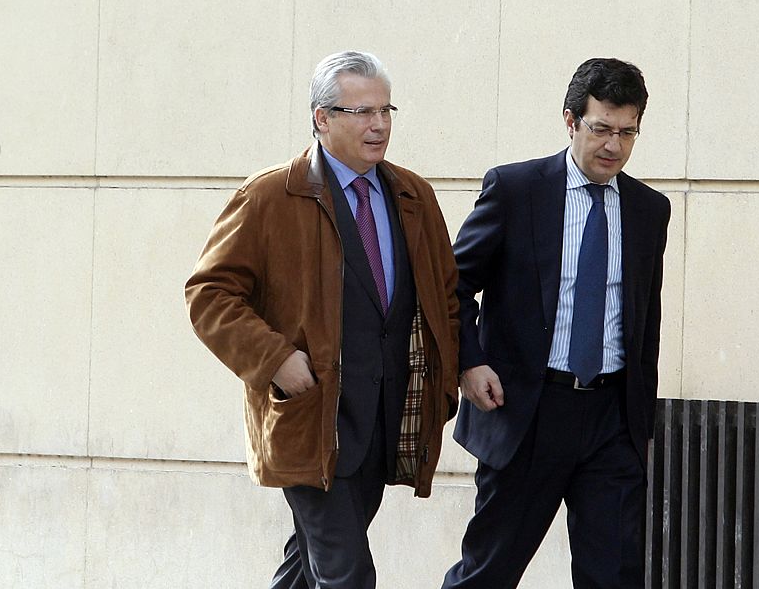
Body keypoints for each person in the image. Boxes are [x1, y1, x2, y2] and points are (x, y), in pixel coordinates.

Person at [185, 51, 459, 589]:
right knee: (348, 574)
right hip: (312, 419)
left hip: (385, 419)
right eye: (360, 112)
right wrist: (276, 359)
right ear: (322, 118)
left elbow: (444, 297)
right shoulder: (270, 196)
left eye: (385, 110)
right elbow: (209, 294)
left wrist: (448, 380)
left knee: (308, 567)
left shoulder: (413, 196)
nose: (378, 125)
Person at [442, 58, 671, 588]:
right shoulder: (516, 189)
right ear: (570, 121)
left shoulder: (647, 209)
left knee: (613, 576)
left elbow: (645, 320)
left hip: (612, 420)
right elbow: (450, 286)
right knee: (488, 572)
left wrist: (639, 417)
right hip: (529, 413)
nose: (613, 145)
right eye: (601, 129)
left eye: (627, 132)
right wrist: (469, 363)